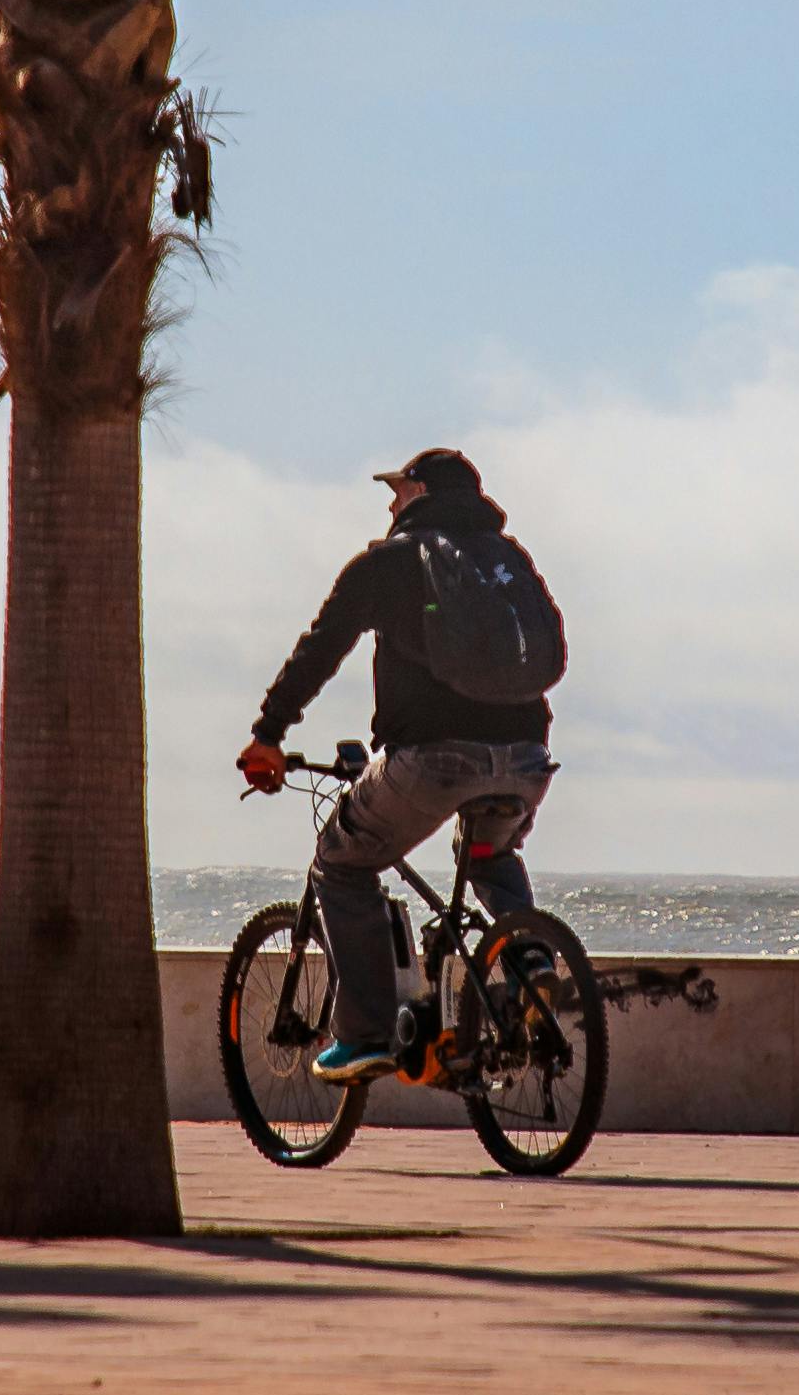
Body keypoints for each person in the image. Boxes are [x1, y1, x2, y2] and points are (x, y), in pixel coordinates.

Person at [237, 447, 564, 1081]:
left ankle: (365, 1035)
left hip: (434, 761)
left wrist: (268, 733)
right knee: (490, 855)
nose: (389, 502)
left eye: (397, 489)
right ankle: (532, 961)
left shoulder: (389, 563)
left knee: (341, 862)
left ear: (419, 491)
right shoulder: (508, 561)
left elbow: (319, 649)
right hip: (527, 758)